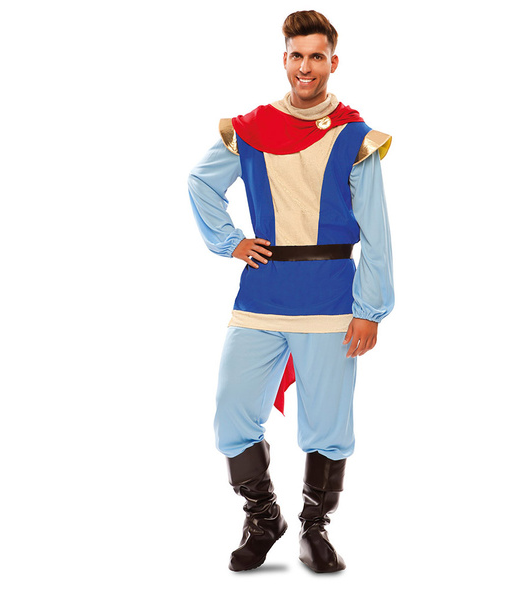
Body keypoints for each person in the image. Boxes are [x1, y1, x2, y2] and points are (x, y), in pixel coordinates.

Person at [188, 10, 394, 573]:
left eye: (317, 56)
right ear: (284, 59)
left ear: (333, 62)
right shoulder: (251, 127)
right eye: (297, 56)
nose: (306, 67)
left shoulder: (354, 137)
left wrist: (371, 309)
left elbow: (376, 230)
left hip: (331, 300)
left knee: (328, 422)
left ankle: (315, 527)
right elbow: (201, 182)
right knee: (232, 410)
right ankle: (263, 517)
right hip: (261, 296)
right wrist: (231, 241)